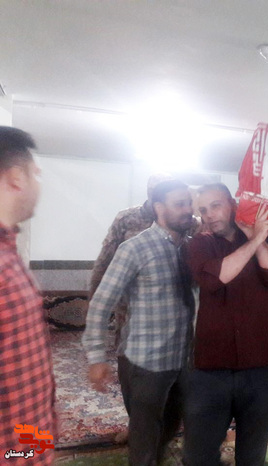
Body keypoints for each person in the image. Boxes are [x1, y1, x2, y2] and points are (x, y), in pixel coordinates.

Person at [82, 180, 196, 465]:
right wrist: (96, 357)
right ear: (159, 208)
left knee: (169, 429)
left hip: (183, 361)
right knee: (144, 440)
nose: (188, 210)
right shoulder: (134, 248)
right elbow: (100, 304)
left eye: (189, 203)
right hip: (146, 364)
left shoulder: (193, 249)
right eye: (179, 204)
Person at [183, 183, 268, 466]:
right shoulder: (200, 244)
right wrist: (253, 242)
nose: (209, 215)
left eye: (215, 206)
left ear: (232, 204)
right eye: (203, 210)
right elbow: (214, 279)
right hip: (212, 369)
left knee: (252, 455)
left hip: (261, 367)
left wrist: (256, 237)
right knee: (198, 456)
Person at [88, 172, 172, 444]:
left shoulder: (185, 221)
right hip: (130, 317)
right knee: (131, 377)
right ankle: (137, 425)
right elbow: (105, 259)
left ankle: (163, 427)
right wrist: (96, 300)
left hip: (171, 317)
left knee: (169, 378)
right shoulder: (126, 219)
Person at [0, 127, 55, 465]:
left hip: (28, 448)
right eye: (37, 174)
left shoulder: (9, 254)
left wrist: (38, 450)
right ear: (17, 178)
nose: (38, 184)